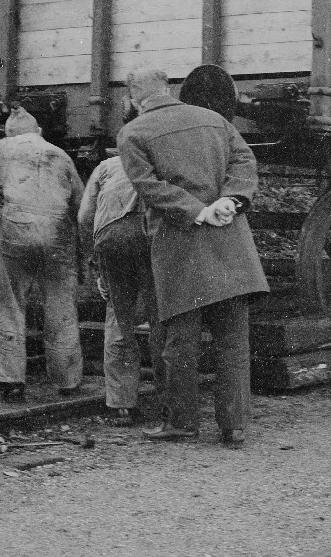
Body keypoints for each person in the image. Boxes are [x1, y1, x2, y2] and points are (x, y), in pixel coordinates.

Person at [116, 67, 269, 447]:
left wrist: (195, 211)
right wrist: (229, 200)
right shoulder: (215, 119)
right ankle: (233, 426)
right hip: (231, 246)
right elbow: (244, 162)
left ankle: (183, 423)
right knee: (232, 342)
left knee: (179, 343)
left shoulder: (132, 133)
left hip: (180, 249)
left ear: (134, 96)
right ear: (168, 89)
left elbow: (148, 187)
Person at [0, 101, 85, 402]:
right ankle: (68, 380)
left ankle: (10, 381)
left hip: (16, 231)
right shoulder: (60, 154)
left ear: (9, 132)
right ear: (40, 131)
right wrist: (83, 253)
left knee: (10, 303)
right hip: (58, 233)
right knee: (61, 306)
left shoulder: (5, 147)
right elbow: (82, 207)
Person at [78, 152, 163, 427]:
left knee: (118, 315)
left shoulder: (105, 166)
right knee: (160, 314)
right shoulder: (163, 159)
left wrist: (96, 263)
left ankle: (121, 404)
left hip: (110, 237)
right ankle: (169, 400)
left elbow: (84, 217)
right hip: (149, 235)